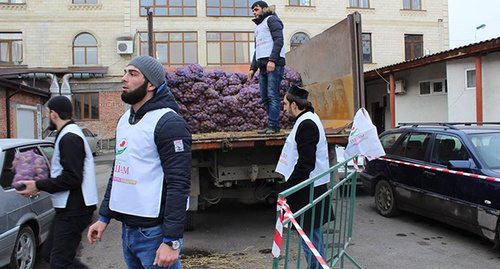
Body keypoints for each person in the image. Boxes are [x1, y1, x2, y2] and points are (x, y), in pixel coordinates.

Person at [87, 55, 191, 269]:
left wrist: (171, 241)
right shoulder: (125, 120)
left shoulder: (168, 122)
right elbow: (119, 172)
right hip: (128, 232)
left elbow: (179, 184)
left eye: (133, 74)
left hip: (154, 234)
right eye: (125, 72)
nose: (124, 78)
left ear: (151, 84)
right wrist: (104, 217)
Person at [17, 95, 99, 269]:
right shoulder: (66, 134)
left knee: (60, 262)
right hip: (67, 209)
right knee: (49, 254)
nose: (47, 117)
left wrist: (38, 185)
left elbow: (73, 178)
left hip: (75, 209)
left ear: (54, 114)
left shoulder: (70, 137)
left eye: (47, 113)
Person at [275, 86, 331, 269]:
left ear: (294, 104)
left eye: (285, 104)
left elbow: (306, 164)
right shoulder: (308, 119)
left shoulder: (307, 124)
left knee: (310, 239)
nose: (283, 108)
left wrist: (288, 189)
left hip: (309, 189)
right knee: (312, 238)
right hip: (312, 187)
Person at [249, 0, 286, 134]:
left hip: (273, 65)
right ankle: (273, 124)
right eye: (253, 10)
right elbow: (257, 49)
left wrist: (272, 60)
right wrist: (253, 68)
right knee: (264, 97)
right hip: (263, 67)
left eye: (256, 9)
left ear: (264, 9)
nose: (254, 12)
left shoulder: (272, 20)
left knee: (272, 95)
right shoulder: (258, 27)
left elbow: (278, 40)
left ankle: (273, 124)